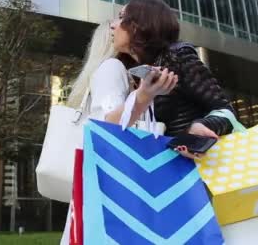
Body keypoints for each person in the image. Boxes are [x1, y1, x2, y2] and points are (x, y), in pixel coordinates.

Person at [60, 20, 176, 245]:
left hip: (105, 174)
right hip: (111, 176)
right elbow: (109, 122)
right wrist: (143, 97)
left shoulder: (113, 70)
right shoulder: (112, 68)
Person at [110, 0, 235, 159]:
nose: (113, 25)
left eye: (121, 17)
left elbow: (225, 110)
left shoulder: (178, 56)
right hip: (162, 165)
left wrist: (198, 128)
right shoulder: (132, 71)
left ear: (141, 24)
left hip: (195, 167)